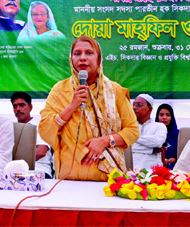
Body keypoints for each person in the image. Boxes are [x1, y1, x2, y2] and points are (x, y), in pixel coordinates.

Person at [39, 36, 139, 181]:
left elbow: (133, 131)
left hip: (108, 180)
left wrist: (104, 141)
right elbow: (44, 130)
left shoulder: (114, 91)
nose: (83, 58)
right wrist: (71, 107)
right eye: (77, 53)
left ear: (99, 60)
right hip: (69, 180)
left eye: (89, 53)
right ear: (71, 59)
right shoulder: (59, 90)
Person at [10, 91, 53, 179]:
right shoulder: (10, 128)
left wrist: (16, 162)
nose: (18, 109)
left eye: (22, 105)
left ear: (30, 107)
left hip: (39, 171)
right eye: (15, 106)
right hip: (15, 172)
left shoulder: (41, 125)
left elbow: (41, 152)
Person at [131, 94, 167, 171]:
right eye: (133, 105)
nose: (134, 108)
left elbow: (157, 142)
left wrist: (132, 137)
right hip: (131, 172)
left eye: (139, 105)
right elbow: (125, 148)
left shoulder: (159, 126)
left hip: (153, 172)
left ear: (150, 109)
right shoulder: (129, 127)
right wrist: (151, 150)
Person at [155, 103, 179, 169]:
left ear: (172, 117)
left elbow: (181, 155)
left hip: (174, 168)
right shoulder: (152, 134)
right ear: (157, 117)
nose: (164, 117)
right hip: (154, 166)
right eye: (161, 115)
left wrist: (167, 161)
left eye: (168, 115)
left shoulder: (178, 135)